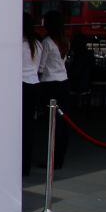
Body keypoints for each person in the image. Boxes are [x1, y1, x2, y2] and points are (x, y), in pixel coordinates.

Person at [39, 10, 70, 169]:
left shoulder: (47, 42)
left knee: (52, 124)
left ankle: (52, 160)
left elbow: (41, 66)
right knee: (62, 123)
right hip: (63, 81)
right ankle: (59, 157)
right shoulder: (64, 40)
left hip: (50, 84)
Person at [21, 13, 44, 176]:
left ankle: (21, 163)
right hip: (34, 83)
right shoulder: (37, 44)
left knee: (19, 126)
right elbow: (39, 68)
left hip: (21, 85)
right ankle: (26, 164)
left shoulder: (19, 44)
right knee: (29, 125)